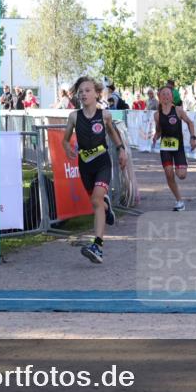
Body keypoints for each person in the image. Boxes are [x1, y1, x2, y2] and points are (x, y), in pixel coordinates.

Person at [61, 76, 127, 264]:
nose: (83, 94)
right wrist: (67, 148)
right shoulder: (74, 117)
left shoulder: (104, 115)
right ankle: (107, 208)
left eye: (88, 90)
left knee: (96, 200)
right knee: (96, 202)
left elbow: (113, 133)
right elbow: (65, 140)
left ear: (97, 93)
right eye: (80, 91)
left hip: (102, 162)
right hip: (84, 164)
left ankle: (97, 245)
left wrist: (121, 149)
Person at [153, 84, 196, 211]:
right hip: (165, 148)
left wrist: (193, 137)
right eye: (163, 94)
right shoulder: (157, 115)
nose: (165, 96)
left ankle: (182, 164)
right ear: (159, 97)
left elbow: (190, 123)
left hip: (178, 147)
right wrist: (156, 136)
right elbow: (159, 130)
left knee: (182, 175)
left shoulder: (178, 110)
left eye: (168, 94)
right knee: (169, 174)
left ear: (172, 97)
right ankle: (179, 201)